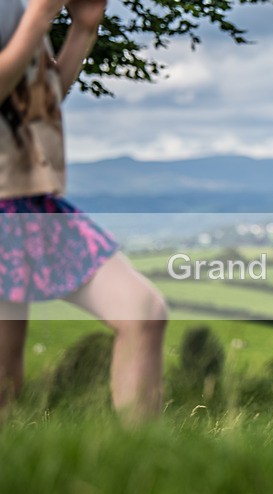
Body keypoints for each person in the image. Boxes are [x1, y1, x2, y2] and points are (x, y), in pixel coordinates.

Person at [0, 0, 167, 424]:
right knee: (4, 383)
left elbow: (35, 96)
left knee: (142, 311)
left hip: (31, 202)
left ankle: (145, 473)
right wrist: (40, 16)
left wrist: (82, 30)